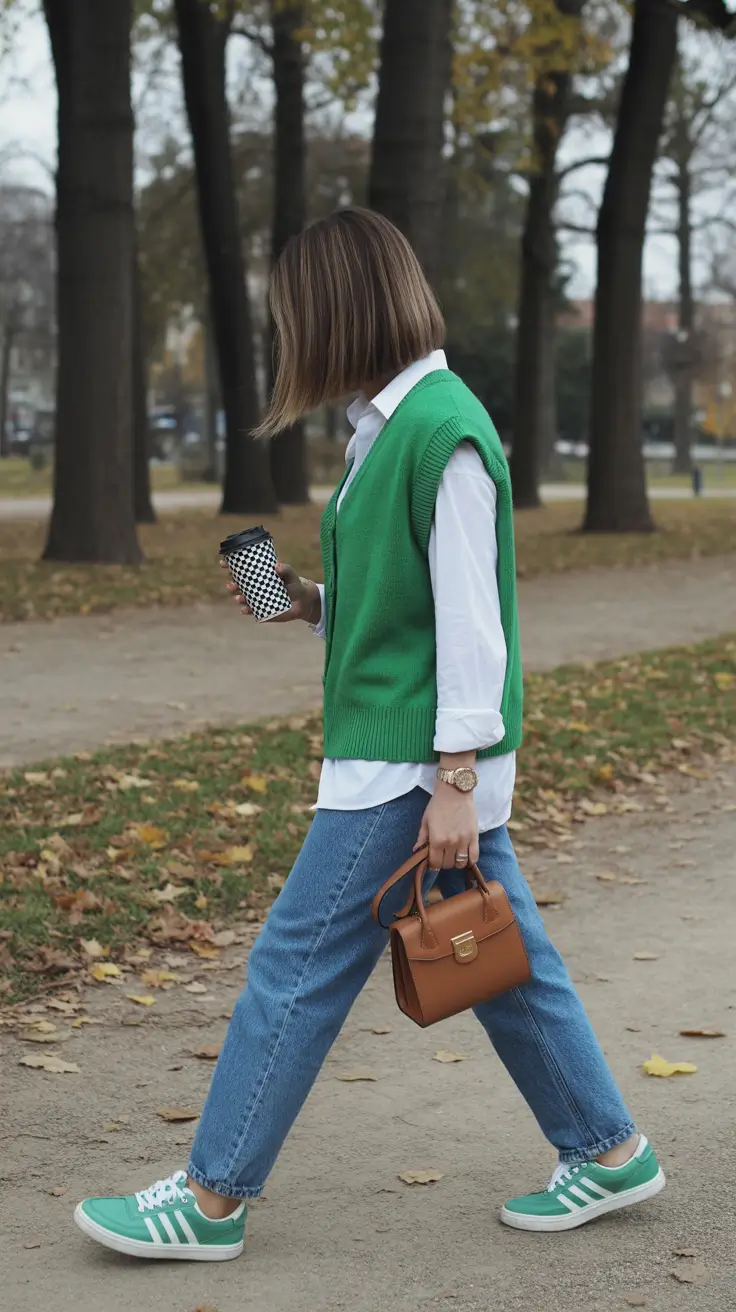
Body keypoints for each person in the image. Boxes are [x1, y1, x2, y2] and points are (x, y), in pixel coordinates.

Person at [73, 208, 665, 1262]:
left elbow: (474, 630)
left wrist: (452, 781)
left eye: (296, 314)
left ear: (340, 311)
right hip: (411, 760)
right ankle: (609, 1149)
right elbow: (404, 605)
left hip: (406, 769)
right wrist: (306, 600)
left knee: (291, 969)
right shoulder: (387, 428)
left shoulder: (443, 432)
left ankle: (210, 1199)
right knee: (498, 962)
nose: (288, 335)